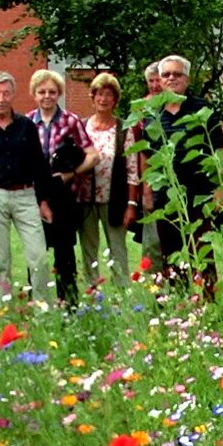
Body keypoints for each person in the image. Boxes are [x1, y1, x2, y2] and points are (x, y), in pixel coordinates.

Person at [0, 71, 54, 302]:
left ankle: (42, 305)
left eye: (6, 93)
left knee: (38, 256)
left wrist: (43, 201)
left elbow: (39, 165)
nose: (1, 98)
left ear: (13, 94)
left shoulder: (26, 126)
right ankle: (3, 305)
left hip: (25, 195)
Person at [143, 55, 223, 295]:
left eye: (177, 74)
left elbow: (218, 149)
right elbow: (146, 155)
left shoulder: (203, 109)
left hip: (199, 193)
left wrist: (221, 187)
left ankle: (208, 303)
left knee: (203, 250)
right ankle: (180, 302)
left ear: (187, 79)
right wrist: (147, 188)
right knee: (171, 252)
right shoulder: (151, 112)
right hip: (166, 195)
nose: (171, 79)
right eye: (166, 74)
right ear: (159, 79)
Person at [27, 69, 99, 304]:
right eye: (41, 91)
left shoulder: (70, 120)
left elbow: (92, 155)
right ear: (34, 94)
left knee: (64, 251)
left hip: (65, 196)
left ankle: (68, 301)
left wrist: (72, 173)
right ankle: (37, 301)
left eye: (52, 91)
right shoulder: (27, 122)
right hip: (36, 195)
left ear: (59, 93)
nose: (47, 96)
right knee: (35, 251)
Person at [79, 72, 140, 287]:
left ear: (115, 100)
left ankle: (123, 289)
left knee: (117, 248)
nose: (103, 99)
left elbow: (133, 169)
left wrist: (131, 205)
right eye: (99, 94)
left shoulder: (124, 129)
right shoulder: (82, 126)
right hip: (85, 199)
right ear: (92, 97)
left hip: (114, 199)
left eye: (108, 95)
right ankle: (92, 290)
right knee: (88, 248)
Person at [137, 62, 164, 275]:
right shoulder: (141, 107)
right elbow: (138, 148)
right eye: (151, 81)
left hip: (172, 176)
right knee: (152, 236)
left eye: (158, 80)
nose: (155, 85)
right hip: (150, 175)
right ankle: (154, 280)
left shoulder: (173, 105)